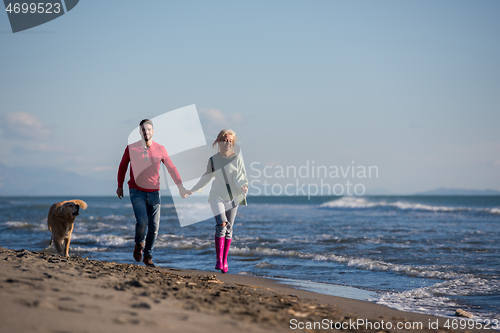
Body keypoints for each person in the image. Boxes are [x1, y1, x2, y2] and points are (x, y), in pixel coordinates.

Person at [117, 119, 188, 267]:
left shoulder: (160, 149)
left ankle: (148, 255)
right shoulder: (131, 148)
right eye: (143, 129)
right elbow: (123, 166)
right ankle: (138, 244)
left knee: (154, 227)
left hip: (154, 192)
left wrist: (180, 186)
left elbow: (171, 168)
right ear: (140, 132)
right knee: (142, 222)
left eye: (149, 129)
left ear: (153, 132)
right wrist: (120, 186)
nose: (146, 132)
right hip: (136, 191)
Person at [186, 129, 248, 273]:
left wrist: (243, 187)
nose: (228, 143)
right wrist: (193, 189)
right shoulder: (213, 160)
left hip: (233, 196)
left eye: (230, 141)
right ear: (219, 142)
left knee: (229, 228)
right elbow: (206, 177)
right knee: (222, 224)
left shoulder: (236, 158)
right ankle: (219, 259)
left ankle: (225, 260)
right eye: (225, 140)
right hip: (216, 195)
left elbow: (240, 177)